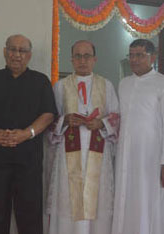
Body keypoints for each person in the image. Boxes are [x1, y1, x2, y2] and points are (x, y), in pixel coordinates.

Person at [0, 34, 57, 234]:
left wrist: (27, 133)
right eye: (12, 49)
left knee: (30, 218)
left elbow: (48, 114)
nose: (16, 55)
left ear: (29, 55)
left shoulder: (40, 81)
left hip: (28, 163)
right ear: (4, 52)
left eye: (22, 50)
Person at [46, 40, 119, 234]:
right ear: (71, 59)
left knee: (97, 200)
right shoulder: (60, 86)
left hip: (98, 155)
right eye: (78, 56)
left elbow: (116, 117)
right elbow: (50, 120)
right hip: (68, 155)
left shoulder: (107, 85)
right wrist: (65, 120)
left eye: (87, 56)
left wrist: (101, 123)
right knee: (68, 200)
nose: (82, 60)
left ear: (94, 59)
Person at [112, 39, 164, 234]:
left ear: (152, 57)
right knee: (126, 196)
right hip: (125, 153)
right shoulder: (124, 83)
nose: (134, 60)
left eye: (139, 55)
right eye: (131, 55)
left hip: (150, 157)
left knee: (147, 199)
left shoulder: (161, 83)